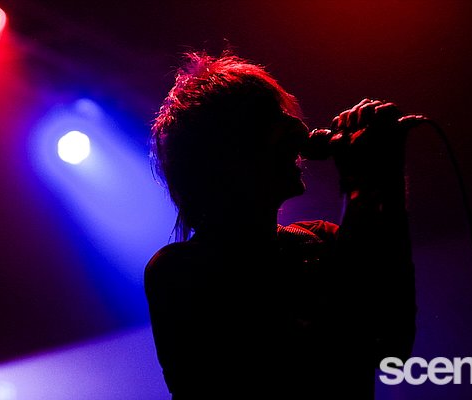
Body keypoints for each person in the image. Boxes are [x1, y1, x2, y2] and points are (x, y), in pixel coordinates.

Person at [144, 51, 417, 400]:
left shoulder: (318, 240)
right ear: (226, 153)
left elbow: (392, 344)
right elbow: (315, 358)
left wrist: (388, 179)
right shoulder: (179, 271)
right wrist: (359, 188)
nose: (298, 129)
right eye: (270, 119)